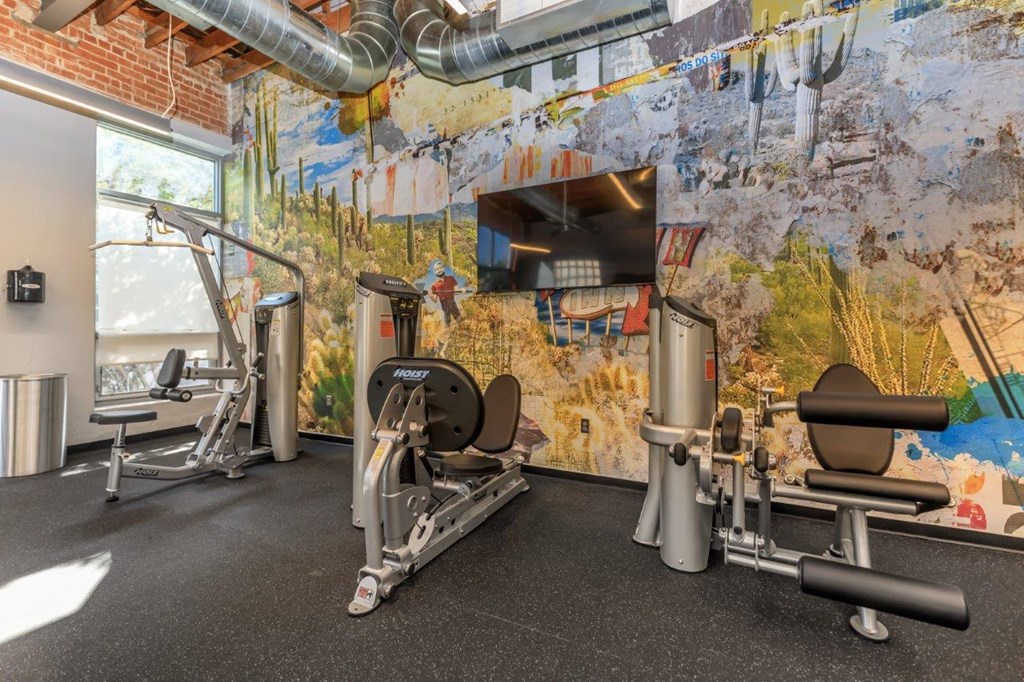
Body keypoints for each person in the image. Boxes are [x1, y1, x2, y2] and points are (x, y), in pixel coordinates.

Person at [429, 260, 462, 326]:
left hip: (452, 303)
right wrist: (430, 295)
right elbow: (435, 300)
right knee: (447, 325)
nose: (439, 270)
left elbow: (456, 292)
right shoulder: (434, 285)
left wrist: (460, 290)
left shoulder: (451, 278)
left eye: (440, 267)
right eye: (437, 269)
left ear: (443, 268)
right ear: (435, 271)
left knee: (460, 321)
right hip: (444, 306)